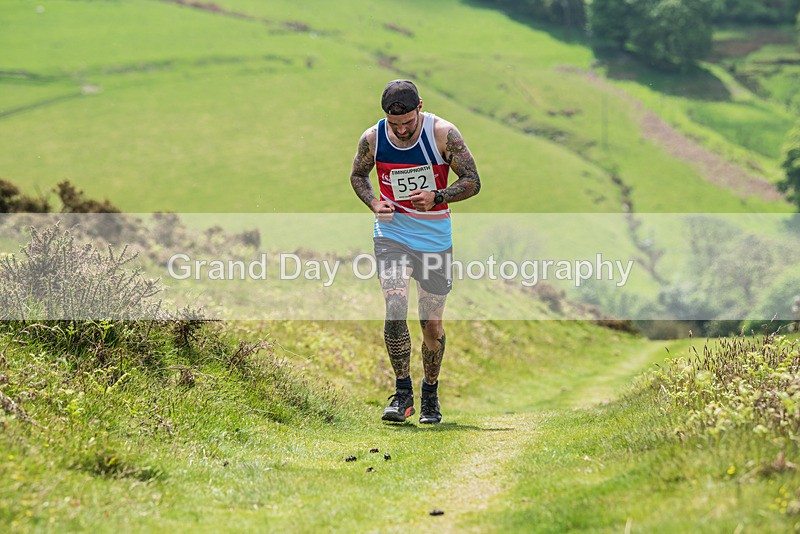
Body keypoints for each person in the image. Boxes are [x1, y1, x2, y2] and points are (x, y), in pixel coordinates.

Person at [349, 80, 481, 424]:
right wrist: (374, 202)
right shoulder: (373, 138)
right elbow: (358, 176)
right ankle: (402, 394)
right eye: (395, 124)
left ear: (420, 106)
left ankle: (430, 397)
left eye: (408, 122)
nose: (402, 129)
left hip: (435, 239)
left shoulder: (443, 134)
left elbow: (472, 180)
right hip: (392, 234)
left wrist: (438, 196)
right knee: (394, 307)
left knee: (430, 324)